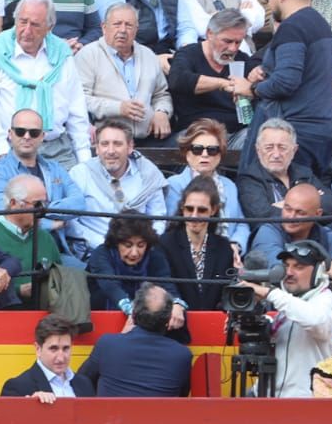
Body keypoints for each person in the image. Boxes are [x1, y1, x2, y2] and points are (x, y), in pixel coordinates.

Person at [243, 0, 332, 175]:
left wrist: (252, 88)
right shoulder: (320, 23)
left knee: (281, 201)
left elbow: (285, 82)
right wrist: (268, 70)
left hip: (295, 133)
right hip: (320, 131)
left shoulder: (292, 27)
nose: (268, 2)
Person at [0, 0, 91, 162]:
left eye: (35, 24)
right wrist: (2, 152)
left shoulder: (61, 52)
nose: (27, 30)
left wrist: (84, 156)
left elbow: (76, 105)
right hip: (10, 149)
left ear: (49, 27)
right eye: (22, 22)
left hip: (57, 149)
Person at [240, 239, 332, 397]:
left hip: (305, 404)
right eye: (286, 265)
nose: (289, 273)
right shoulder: (290, 302)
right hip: (269, 398)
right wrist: (247, 318)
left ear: (318, 272)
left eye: (298, 267)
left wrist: (270, 293)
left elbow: (314, 320)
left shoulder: (326, 301)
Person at [0, 109, 86, 247]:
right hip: (19, 248)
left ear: (42, 136)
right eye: (20, 131)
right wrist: (53, 224)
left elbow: (79, 203)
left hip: (61, 247)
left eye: (34, 132)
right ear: (10, 134)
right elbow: (7, 217)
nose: (26, 136)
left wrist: (41, 208)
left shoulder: (55, 168)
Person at [68, 117, 167, 254]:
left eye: (117, 144)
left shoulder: (148, 174)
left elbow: (158, 218)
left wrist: (140, 246)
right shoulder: (80, 174)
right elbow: (71, 222)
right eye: (104, 144)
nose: (110, 151)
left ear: (130, 147)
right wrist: (104, 244)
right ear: (96, 148)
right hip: (95, 252)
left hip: (138, 253)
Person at [75, 3, 172, 143]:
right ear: (104, 27)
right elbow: (79, 99)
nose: (123, 30)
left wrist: (162, 112)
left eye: (129, 25)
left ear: (136, 30)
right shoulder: (88, 55)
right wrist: (118, 108)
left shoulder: (148, 55)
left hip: (148, 135)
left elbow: (161, 94)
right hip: (107, 140)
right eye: (117, 24)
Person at [74, 282, 192, 395]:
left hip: (110, 415)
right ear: (168, 320)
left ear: (134, 313)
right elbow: (182, 394)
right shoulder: (182, 355)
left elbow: (81, 380)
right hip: (158, 415)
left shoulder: (108, 344)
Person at [164, 119, 250, 251]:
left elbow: (241, 224)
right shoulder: (174, 184)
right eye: (197, 149)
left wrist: (236, 245)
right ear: (187, 154)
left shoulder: (229, 185)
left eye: (212, 150)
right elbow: (172, 228)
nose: (204, 155)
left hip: (229, 255)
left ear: (220, 155)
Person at [248, 182, 332, 282]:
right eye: (287, 209)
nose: (291, 217)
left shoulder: (324, 233)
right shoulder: (267, 231)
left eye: (300, 212)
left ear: (317, 214)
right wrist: (326, 268)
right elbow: (279, 268)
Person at [166, 9, 251, 138]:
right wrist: (221, 84)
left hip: (235, 133)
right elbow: (178, 80)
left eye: (238, 42)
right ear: (210, 34)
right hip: (195, 132)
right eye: (227, 41)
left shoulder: (243, 60)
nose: (233, 48)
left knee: (254, 138)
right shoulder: (189, 54)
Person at [84, 212, 184, 319]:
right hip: (98, 315)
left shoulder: (154, 255)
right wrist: (130, 309)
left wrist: (177, 303)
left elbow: (166, 283)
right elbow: (110, 285)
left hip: (142, 319)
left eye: (141, 245)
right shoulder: (101, 253)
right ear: (116, 243)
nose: (134, 253)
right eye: (128, 245)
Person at [160, 174, 238, 311]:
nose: (194, 215)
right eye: (189, 209)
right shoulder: (166, 243)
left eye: (202, 210)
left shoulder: (224, 247)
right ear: (182, 208)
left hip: (213, 324)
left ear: (213, 210)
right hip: (175, 324)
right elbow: (163, 284)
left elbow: (224, 294)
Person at [0, 174, 62, 304]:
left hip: (45, 315)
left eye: (45, 204)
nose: (42, 210)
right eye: (37, 204)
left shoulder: (45, 238)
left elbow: (59, 277)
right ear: (14, 203)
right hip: (2, 313)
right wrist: (18, 290)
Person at [235, 118, 325, 232]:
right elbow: (261, 216)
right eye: (269, 148)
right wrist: (308, 205)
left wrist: (281, 206)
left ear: (294, 150)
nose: (276, 154)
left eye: (282, 148)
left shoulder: (304, 173)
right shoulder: (248, 178)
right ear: (258, 150)